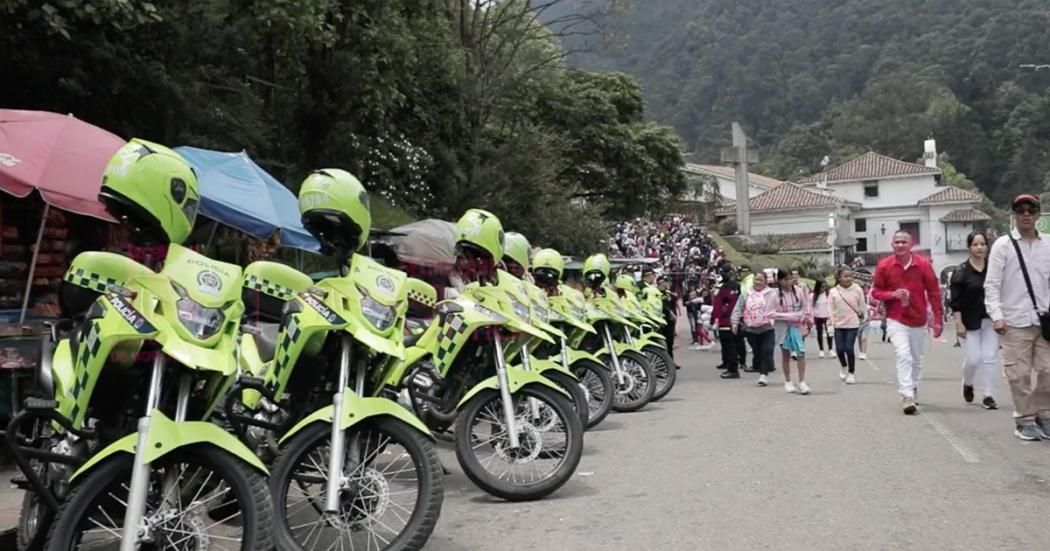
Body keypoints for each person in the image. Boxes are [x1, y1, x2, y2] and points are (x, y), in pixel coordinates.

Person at [984, 194, 1050, 440]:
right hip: (1013, 321)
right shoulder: (1003, 245)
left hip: (1044, 320)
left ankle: (1044, 414)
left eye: (1030, 210)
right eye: (1020, 210)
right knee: (1019, 375)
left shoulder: (1048, 244)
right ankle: (1024, 419)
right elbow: (992, 284)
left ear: (1038, 214)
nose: (1025, 214)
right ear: (1013, 214)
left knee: (1047, 372)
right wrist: (997, 315)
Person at [872, 230, 943, 415]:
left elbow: (934, 293)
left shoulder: (923, 265)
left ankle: (913, 386)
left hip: (918, 318)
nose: (900, 245)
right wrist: (891, 294)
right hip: (896, 318)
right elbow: (876, 292)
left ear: (912, 245)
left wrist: (938, 319)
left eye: (904, 242)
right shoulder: (884, 266)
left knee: (916, 358)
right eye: (897, 242)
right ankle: (907, 395)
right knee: (903, 354)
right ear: (892, 245)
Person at [950, 231, 999, 410]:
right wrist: (958, 323)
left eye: (982, 244)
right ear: (969, 247)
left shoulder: (994, 268)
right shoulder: (961, 271)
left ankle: (988, 395)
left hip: (990, 319)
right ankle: (968, 382)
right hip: (968, 321)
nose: (979, 248)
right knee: (973, 359)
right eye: (975, 244)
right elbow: (955, 301)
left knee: (990, 357)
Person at [769, 268, 813, 394]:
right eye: (785, 279)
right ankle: (788, 381)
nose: (789, 282)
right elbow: (770, 313)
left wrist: (805, 317)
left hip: (796, 326)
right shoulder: (774, 295)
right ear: (779, 280)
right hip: (782, 328)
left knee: (801, 352)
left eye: (790, 279)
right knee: (786, 354)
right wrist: (788, 316)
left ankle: (802, 381)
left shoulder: (798, 291)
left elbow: (805, 306)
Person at [732, 271, 776, 386]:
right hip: (751, 329)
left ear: (766, 281)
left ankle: (763, 375)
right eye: (756, 279)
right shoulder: (746, 293)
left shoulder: (771, 293)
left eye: (761, 280)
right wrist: (735, 322)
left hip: (767, 327)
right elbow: (739, 308)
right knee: (757, 352)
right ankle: (762, 366)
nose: (758, 282)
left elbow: (779, 307)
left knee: (767, 350)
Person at [829, 266, 866, 385]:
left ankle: (851, 372)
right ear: (839, 278)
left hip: (853, 324)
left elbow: (862, 306)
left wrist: (863, 318)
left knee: (849, 348)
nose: (849, 278)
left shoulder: (857, 289)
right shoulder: (833, 291)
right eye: (846, 276)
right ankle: (844, 366)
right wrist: (831, 322)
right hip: (838, 324)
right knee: (840, 349)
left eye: (850, 276)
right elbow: (830, 308)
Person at [712, 275, 742, 378]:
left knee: (728, 347)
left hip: (725, 321)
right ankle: (732, 366)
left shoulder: (723, 290)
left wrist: (713, 319)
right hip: (735, 320)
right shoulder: (739, 289)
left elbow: (717, 306)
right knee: (733, 345)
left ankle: (732, 369)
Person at [812, 280, 834, 358]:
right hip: (818, 316)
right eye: (821, 287)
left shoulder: (828, 295)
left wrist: (831, 316)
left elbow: (832, 306)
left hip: (827, 316)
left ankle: (830, 349)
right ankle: (821, 350)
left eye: (824, 287)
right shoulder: (813, 296)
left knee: (829, 333)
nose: (823, 289)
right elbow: (811, 307)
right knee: (819, 333)